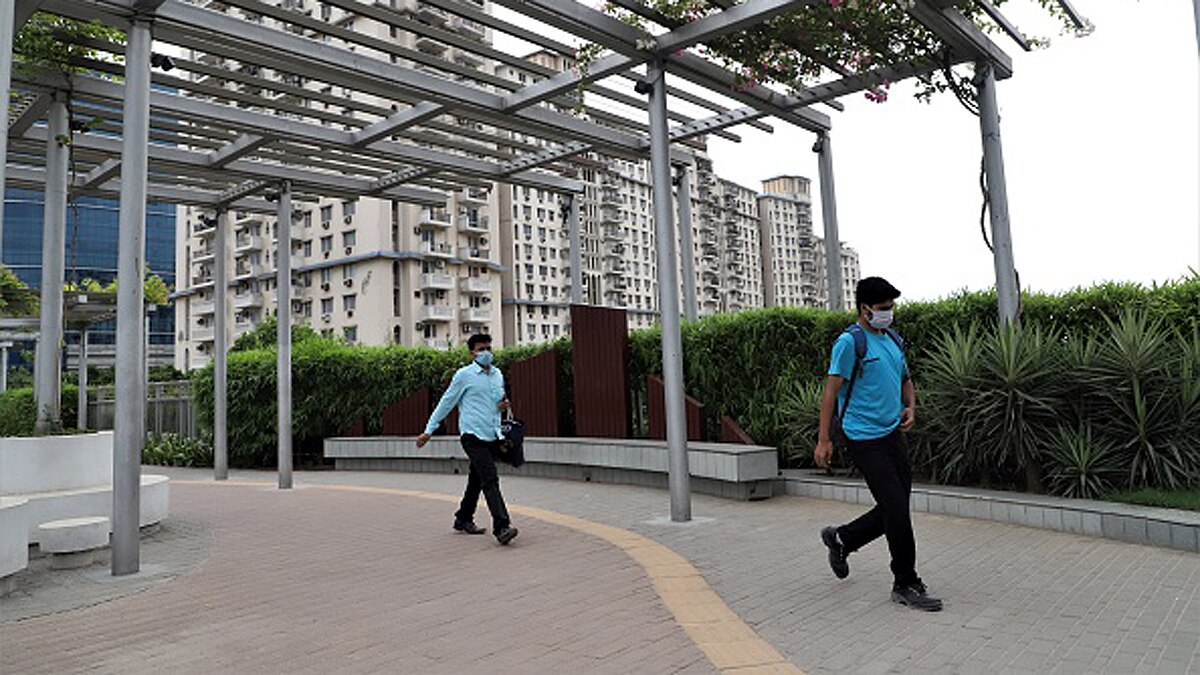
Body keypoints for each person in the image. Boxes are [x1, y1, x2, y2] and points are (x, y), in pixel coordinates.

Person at [814, 277, 942, 611]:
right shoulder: (849, 343)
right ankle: (906, 582)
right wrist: (824, 439)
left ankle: (841, 539)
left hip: (891, 433)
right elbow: (830, 392)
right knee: (896, 508)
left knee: (894, 507)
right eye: (883, 308)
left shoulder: (892, 339)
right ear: (864, 309)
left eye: (891, 307)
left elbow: (905, 378)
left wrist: (910, 406)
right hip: (862, 437)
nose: (889, 313)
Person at [417, 334, 519, 546]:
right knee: (490, 477)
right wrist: (428, 430)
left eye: (489, 348)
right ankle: (502, 527)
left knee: (477, 479)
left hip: (492, 434)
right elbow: (446, 403)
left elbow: (498, 403)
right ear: (472, 353)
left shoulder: (497, 374)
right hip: (472, 435)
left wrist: (503, 405)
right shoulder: (464, 375)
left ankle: (463, 518)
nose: (487, 353)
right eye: (482, 349)